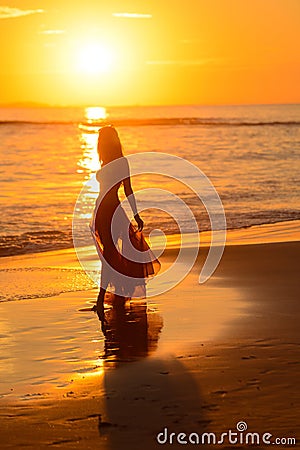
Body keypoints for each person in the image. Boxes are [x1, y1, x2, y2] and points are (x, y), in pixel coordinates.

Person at [90, 126, 160, 322]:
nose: (99, 143)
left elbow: (128, 189)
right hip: (103, 211)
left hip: (111, 211)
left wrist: (136, 215)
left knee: (110, 254)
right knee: (112, 254)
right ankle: (114, 293)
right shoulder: (108, 162)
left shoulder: (121, 163)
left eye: (101, 139)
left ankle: (100, 299)